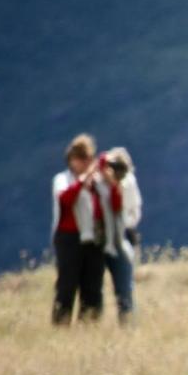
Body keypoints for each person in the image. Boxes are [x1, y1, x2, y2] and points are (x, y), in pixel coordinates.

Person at [50, 135, 106, 325]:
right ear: (71, 159)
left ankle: (89, 325)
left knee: (92, 287)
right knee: (67, 285)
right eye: (80, 158)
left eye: (88, 158)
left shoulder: (97, 183)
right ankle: (61, 324)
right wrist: (82, 181)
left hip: (93, 239)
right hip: (69, 238)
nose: (84, 162)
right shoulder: (62, 180)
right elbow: (65, 199)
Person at [99, 147, 140, 324]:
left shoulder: (129, 183)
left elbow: (134, 211)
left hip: (122, 237)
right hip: (99, 240)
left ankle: (128, 321)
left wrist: (124, 223)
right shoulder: (98, 184)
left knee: (125, 286)